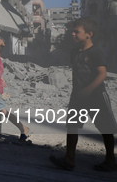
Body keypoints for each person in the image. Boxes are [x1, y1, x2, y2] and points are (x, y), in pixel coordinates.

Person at [49, 18, 117, 172]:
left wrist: (88, 89)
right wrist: (78, 92)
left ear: (89, 34)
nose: (72, 34)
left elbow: (102, 74)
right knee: (72, 126)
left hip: (96, 96)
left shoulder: (96, 52)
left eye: (76, 32)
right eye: (72, 31)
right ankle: (69, 159)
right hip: (78, 96)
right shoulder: (75, 52)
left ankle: (110, 160)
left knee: (105, 128)